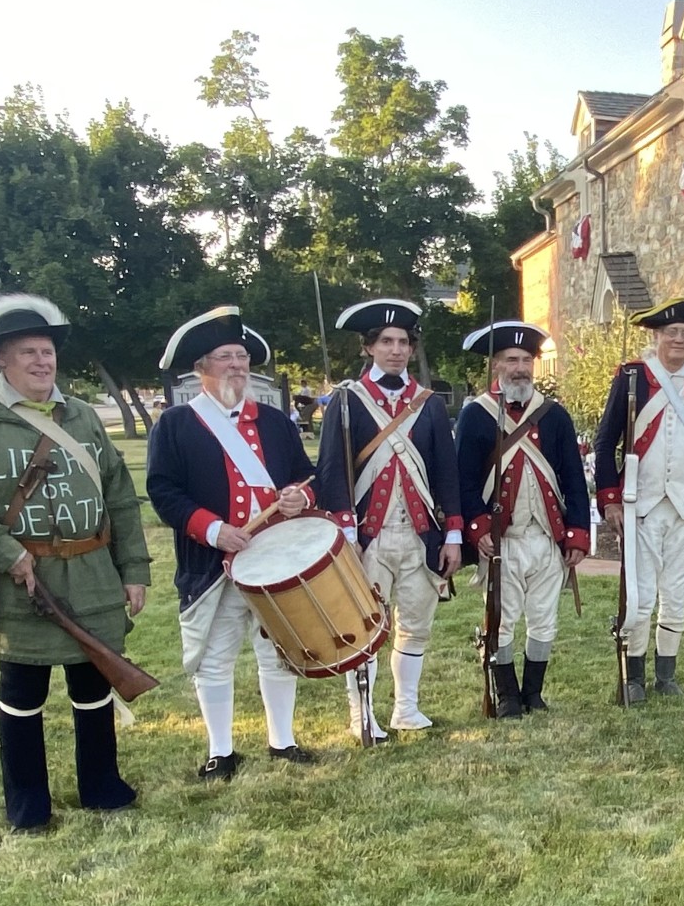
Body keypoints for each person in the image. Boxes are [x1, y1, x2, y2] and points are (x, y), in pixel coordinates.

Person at [0, 294, 149, 831]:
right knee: (22, 691)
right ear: (1, 358)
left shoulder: (83, 416)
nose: (41, 362)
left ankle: (102, 787)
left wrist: (134, 567)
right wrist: (5, 552)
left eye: (46, 351)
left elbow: (118, 494)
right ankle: (27, 805)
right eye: (27, 352)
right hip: (20, 577)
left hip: (92, 570)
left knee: (92, 686)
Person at [146, 307, 319, 779]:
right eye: (227, 357)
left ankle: (282, 741)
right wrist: (212, 529)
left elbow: (307, 477)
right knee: (215, 657)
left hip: (273, 559)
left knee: (279, 651)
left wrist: (298, 496)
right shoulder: (177, 424)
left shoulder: (275, 422)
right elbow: (163, 491)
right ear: (202, 368)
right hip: (212, 562)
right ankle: (220, 750)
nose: (238, 365)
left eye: (243, 357)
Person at [314, 298, 463, 739]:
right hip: (368, 536)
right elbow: (332, 472)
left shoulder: (429, 403)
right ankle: (362, 715)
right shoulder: (346, 401)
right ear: (369, 348)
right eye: (387, 342)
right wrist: (346, 534)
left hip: (420, 535)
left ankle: (407, 709)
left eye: (403, 342)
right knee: (363, 628)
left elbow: (445, 472)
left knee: (415, 625)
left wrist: (453, 532)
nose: (396, 350)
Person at [592, 298, 684, 701]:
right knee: (638, 597)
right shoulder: (634, 376)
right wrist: (611, 499)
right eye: (672, 333)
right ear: (657, 336)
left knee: (676, 595)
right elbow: (605, 443)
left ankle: (666, 676)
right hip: (642, 503)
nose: (679, 340)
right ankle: (632, 676)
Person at [456, 320, 590, 718]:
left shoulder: (554, 415)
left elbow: (572, 477)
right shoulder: (476, 415)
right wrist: (477, 526)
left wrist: (578, 533)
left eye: (527, 360)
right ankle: (508, 694)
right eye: (511, 359)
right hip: (503, 539)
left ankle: (534, 692)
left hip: (546, 536)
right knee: (502, 617)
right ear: (496, 365)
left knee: (544, 618)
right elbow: (463, 479)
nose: (520, 368)